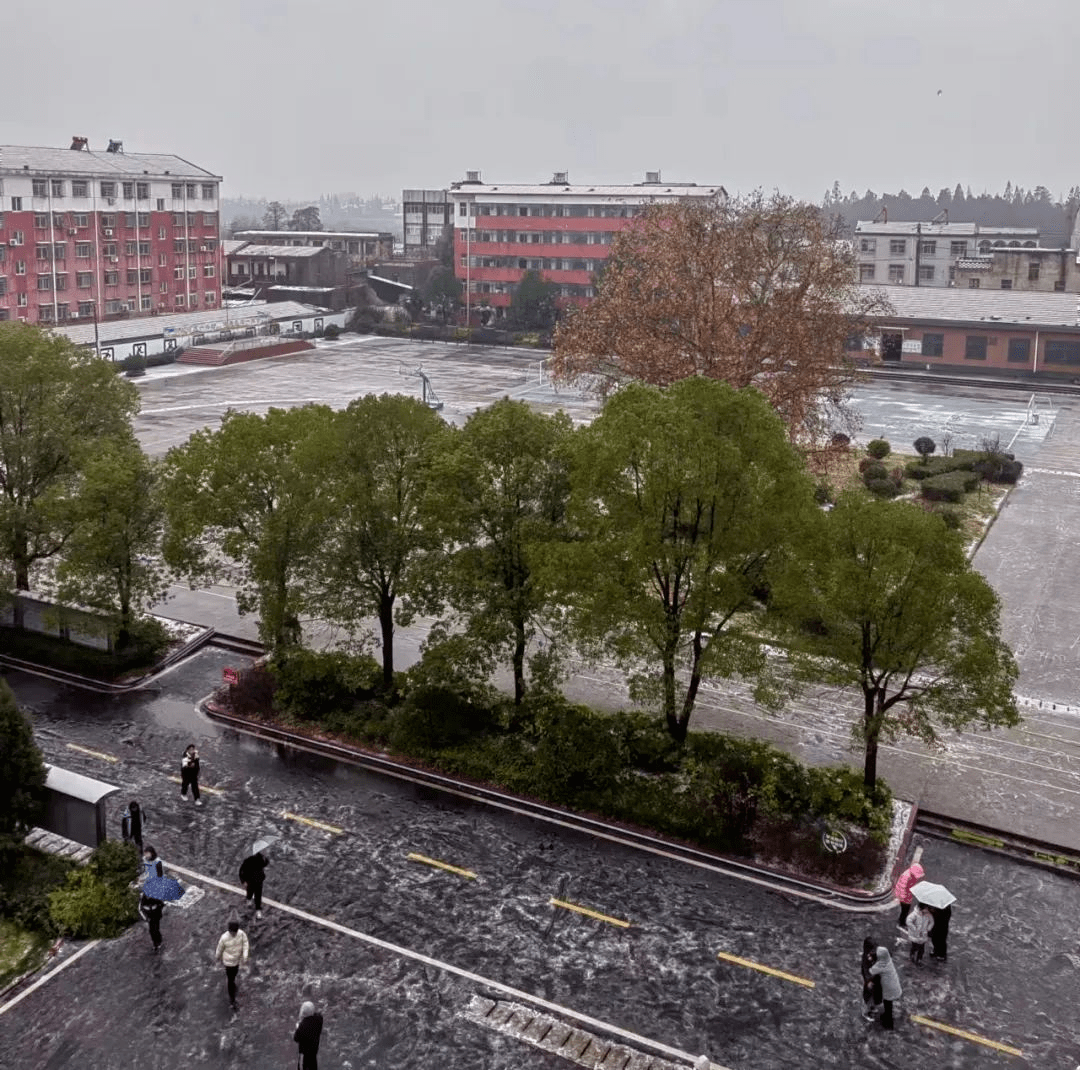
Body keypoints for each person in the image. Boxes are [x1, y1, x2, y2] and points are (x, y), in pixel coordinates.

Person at [214, 920, 249, 1010]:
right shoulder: (224, 937)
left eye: (235, 932)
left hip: (236, 961)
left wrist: (245, 956)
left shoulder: (241, 934)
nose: (233, 934)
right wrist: (217, 957)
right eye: (232, 933)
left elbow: (245, 944)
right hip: (228, 963)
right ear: (229, 931)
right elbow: (220, 948)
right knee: (230, 979)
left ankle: (233, 985)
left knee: (234, 975)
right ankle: (232, 999)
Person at [868, 946, 902, 1030]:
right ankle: (886, 1015)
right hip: (894, 986)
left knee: (888, 1005)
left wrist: (870, 960)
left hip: (889, 990)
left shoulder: (881, 964)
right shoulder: (887, 960)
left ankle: (889, 1023)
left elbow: (871, 971)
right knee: (889, 1004)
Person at [893, 861, 924, 930]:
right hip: (904, 897)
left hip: (907, 895)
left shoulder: (911, 875)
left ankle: (902, 922)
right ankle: (901, 923)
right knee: (905, 910)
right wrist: (904, 898)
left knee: (905, 910)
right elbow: (902, 888)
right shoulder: (906, 876)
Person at [293, 1001, 324, 1070]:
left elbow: (296, 1038)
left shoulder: (303, 1025)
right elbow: (318, 1015)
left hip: (304, 1055)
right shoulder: (318, 1020)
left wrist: (298, 1027)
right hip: (313, 1054)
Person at [239, 850, 268, 919]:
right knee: (250, 892)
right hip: (251, 880)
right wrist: (243, 881)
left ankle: (258, 909)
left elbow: (265, 864)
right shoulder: (248, 861)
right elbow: (241, 871)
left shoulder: (260, 858)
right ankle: (249, 900)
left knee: (258, 896)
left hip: (258, 880)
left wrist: (265, 859)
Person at [860, 937, 882, 1021]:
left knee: (875, 994)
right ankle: (865, 1012)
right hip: (869, 980)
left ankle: (872, 1006)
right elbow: (865, 971)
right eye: (873, 950)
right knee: (868, 996)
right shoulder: (865, 959)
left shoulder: (875, 955)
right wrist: (868, 981)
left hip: (876, 978)